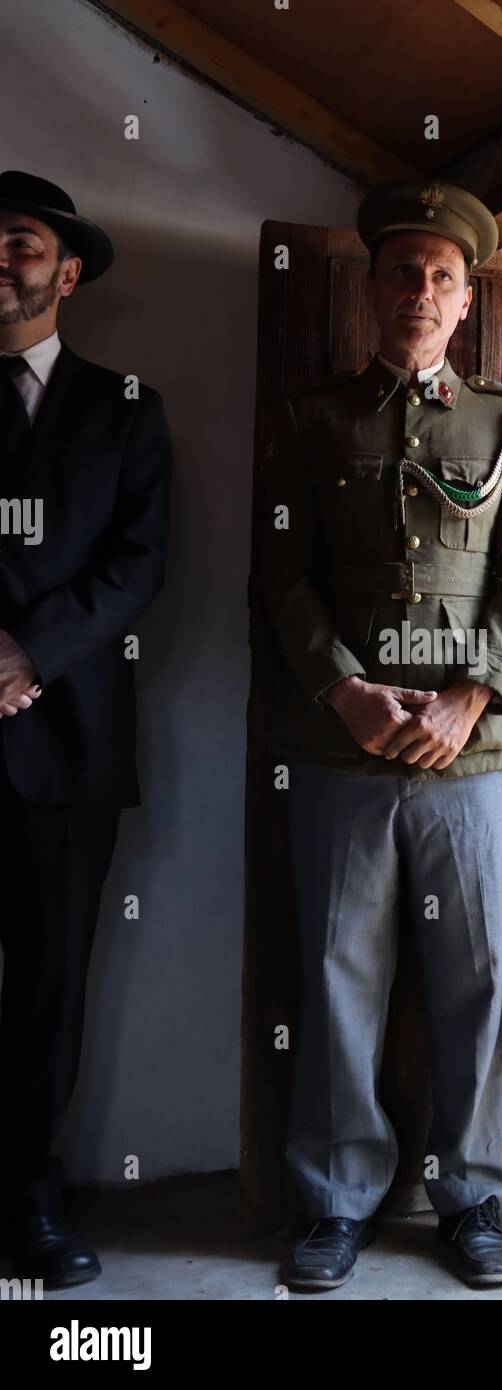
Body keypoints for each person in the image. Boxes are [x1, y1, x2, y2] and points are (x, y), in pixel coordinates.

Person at [264, 180, 502, 1290]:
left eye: (440, 275)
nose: (419, 291)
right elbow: (284, 575)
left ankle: (473, 1198)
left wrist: (468, 699)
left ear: (465, 298)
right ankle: (336, 1197)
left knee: (473, 979)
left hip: (471, 754)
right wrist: (344, 691)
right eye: (401, 271)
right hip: (343, 747)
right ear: (372, 289)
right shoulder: (309, 418)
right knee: (339, 973)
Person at [0, 171, 171, 1286]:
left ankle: (26, 1201)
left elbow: (139, 564)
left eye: (18, 242)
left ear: (66, 272)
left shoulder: (126, 407)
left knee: (49, 987)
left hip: (68, 741)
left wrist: (27, 653)